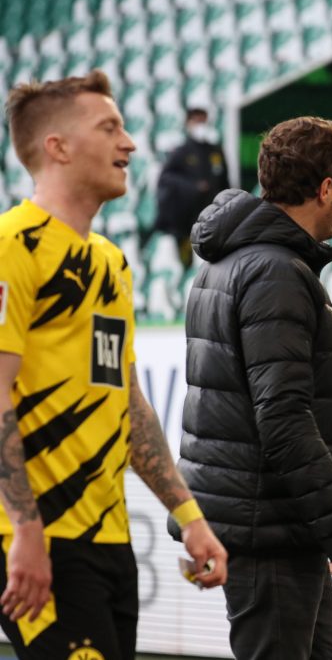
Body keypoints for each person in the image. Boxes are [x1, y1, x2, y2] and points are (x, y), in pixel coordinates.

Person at [172, 115, 332, 659]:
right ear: (327, 187)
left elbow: (250, 377)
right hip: (268, 524)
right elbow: (282, 419)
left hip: (266, 521)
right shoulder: (277, 272)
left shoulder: (233, 262)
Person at [0, 71, 227, 660]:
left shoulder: (111, 263)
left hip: (109, 539)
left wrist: (190, 515)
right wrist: (24, 532)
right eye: (110, 128)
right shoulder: (12, 244)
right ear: (57, 147)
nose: (129, 143)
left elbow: (126, 400)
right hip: (38, 536)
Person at [154, 107, 230, 265]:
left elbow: (225, 182)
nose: (201, 125)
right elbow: (166, 178)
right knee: (187, 261)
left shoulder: (215, 151)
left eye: (204, 121)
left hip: (213, 217)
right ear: (188, 124)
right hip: (186, 221)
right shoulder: (181, 152)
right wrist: (194, 187)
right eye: (197, 121)